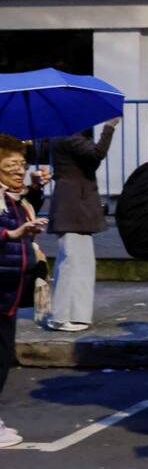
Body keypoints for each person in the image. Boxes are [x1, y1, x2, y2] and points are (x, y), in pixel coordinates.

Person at [44, 117, 119, 331]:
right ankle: (61, 316)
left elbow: (90, 159)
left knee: (79, 262)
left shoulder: (66, 135)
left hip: (75, 206)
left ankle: (76, 314)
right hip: (73, 206)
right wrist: (109, 128)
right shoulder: (69, 136)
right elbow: (96, 155)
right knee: (72, 262)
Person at [0, 133, 49, 448]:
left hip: (9, 290)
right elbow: (9, 228)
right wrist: (12, 233)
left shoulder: (15, 199)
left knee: (4, 356)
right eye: (9, 166)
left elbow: (26, 212)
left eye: (21, 164)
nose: (18, 171)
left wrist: (36, 187)